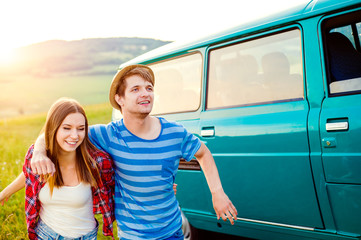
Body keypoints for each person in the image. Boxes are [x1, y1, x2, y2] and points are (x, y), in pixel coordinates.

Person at [30, 65, 238, 240]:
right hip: (132, 235)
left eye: (149, 88)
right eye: (136, 89)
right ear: (119, 98)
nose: (145, 93)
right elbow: (55, 133)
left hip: (172, 230)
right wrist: (39, 152)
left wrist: (217, 193)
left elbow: (203, 153)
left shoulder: (175, 132)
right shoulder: (108, 135)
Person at [0, 98, 115, 240]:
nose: (74, 136)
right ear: (54, 128)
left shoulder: (97, 162)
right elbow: (29, 173)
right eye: (67, 128)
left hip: (85, 236)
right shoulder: (40, 157)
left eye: (80, 129)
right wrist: (5, 193)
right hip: (45, 234)